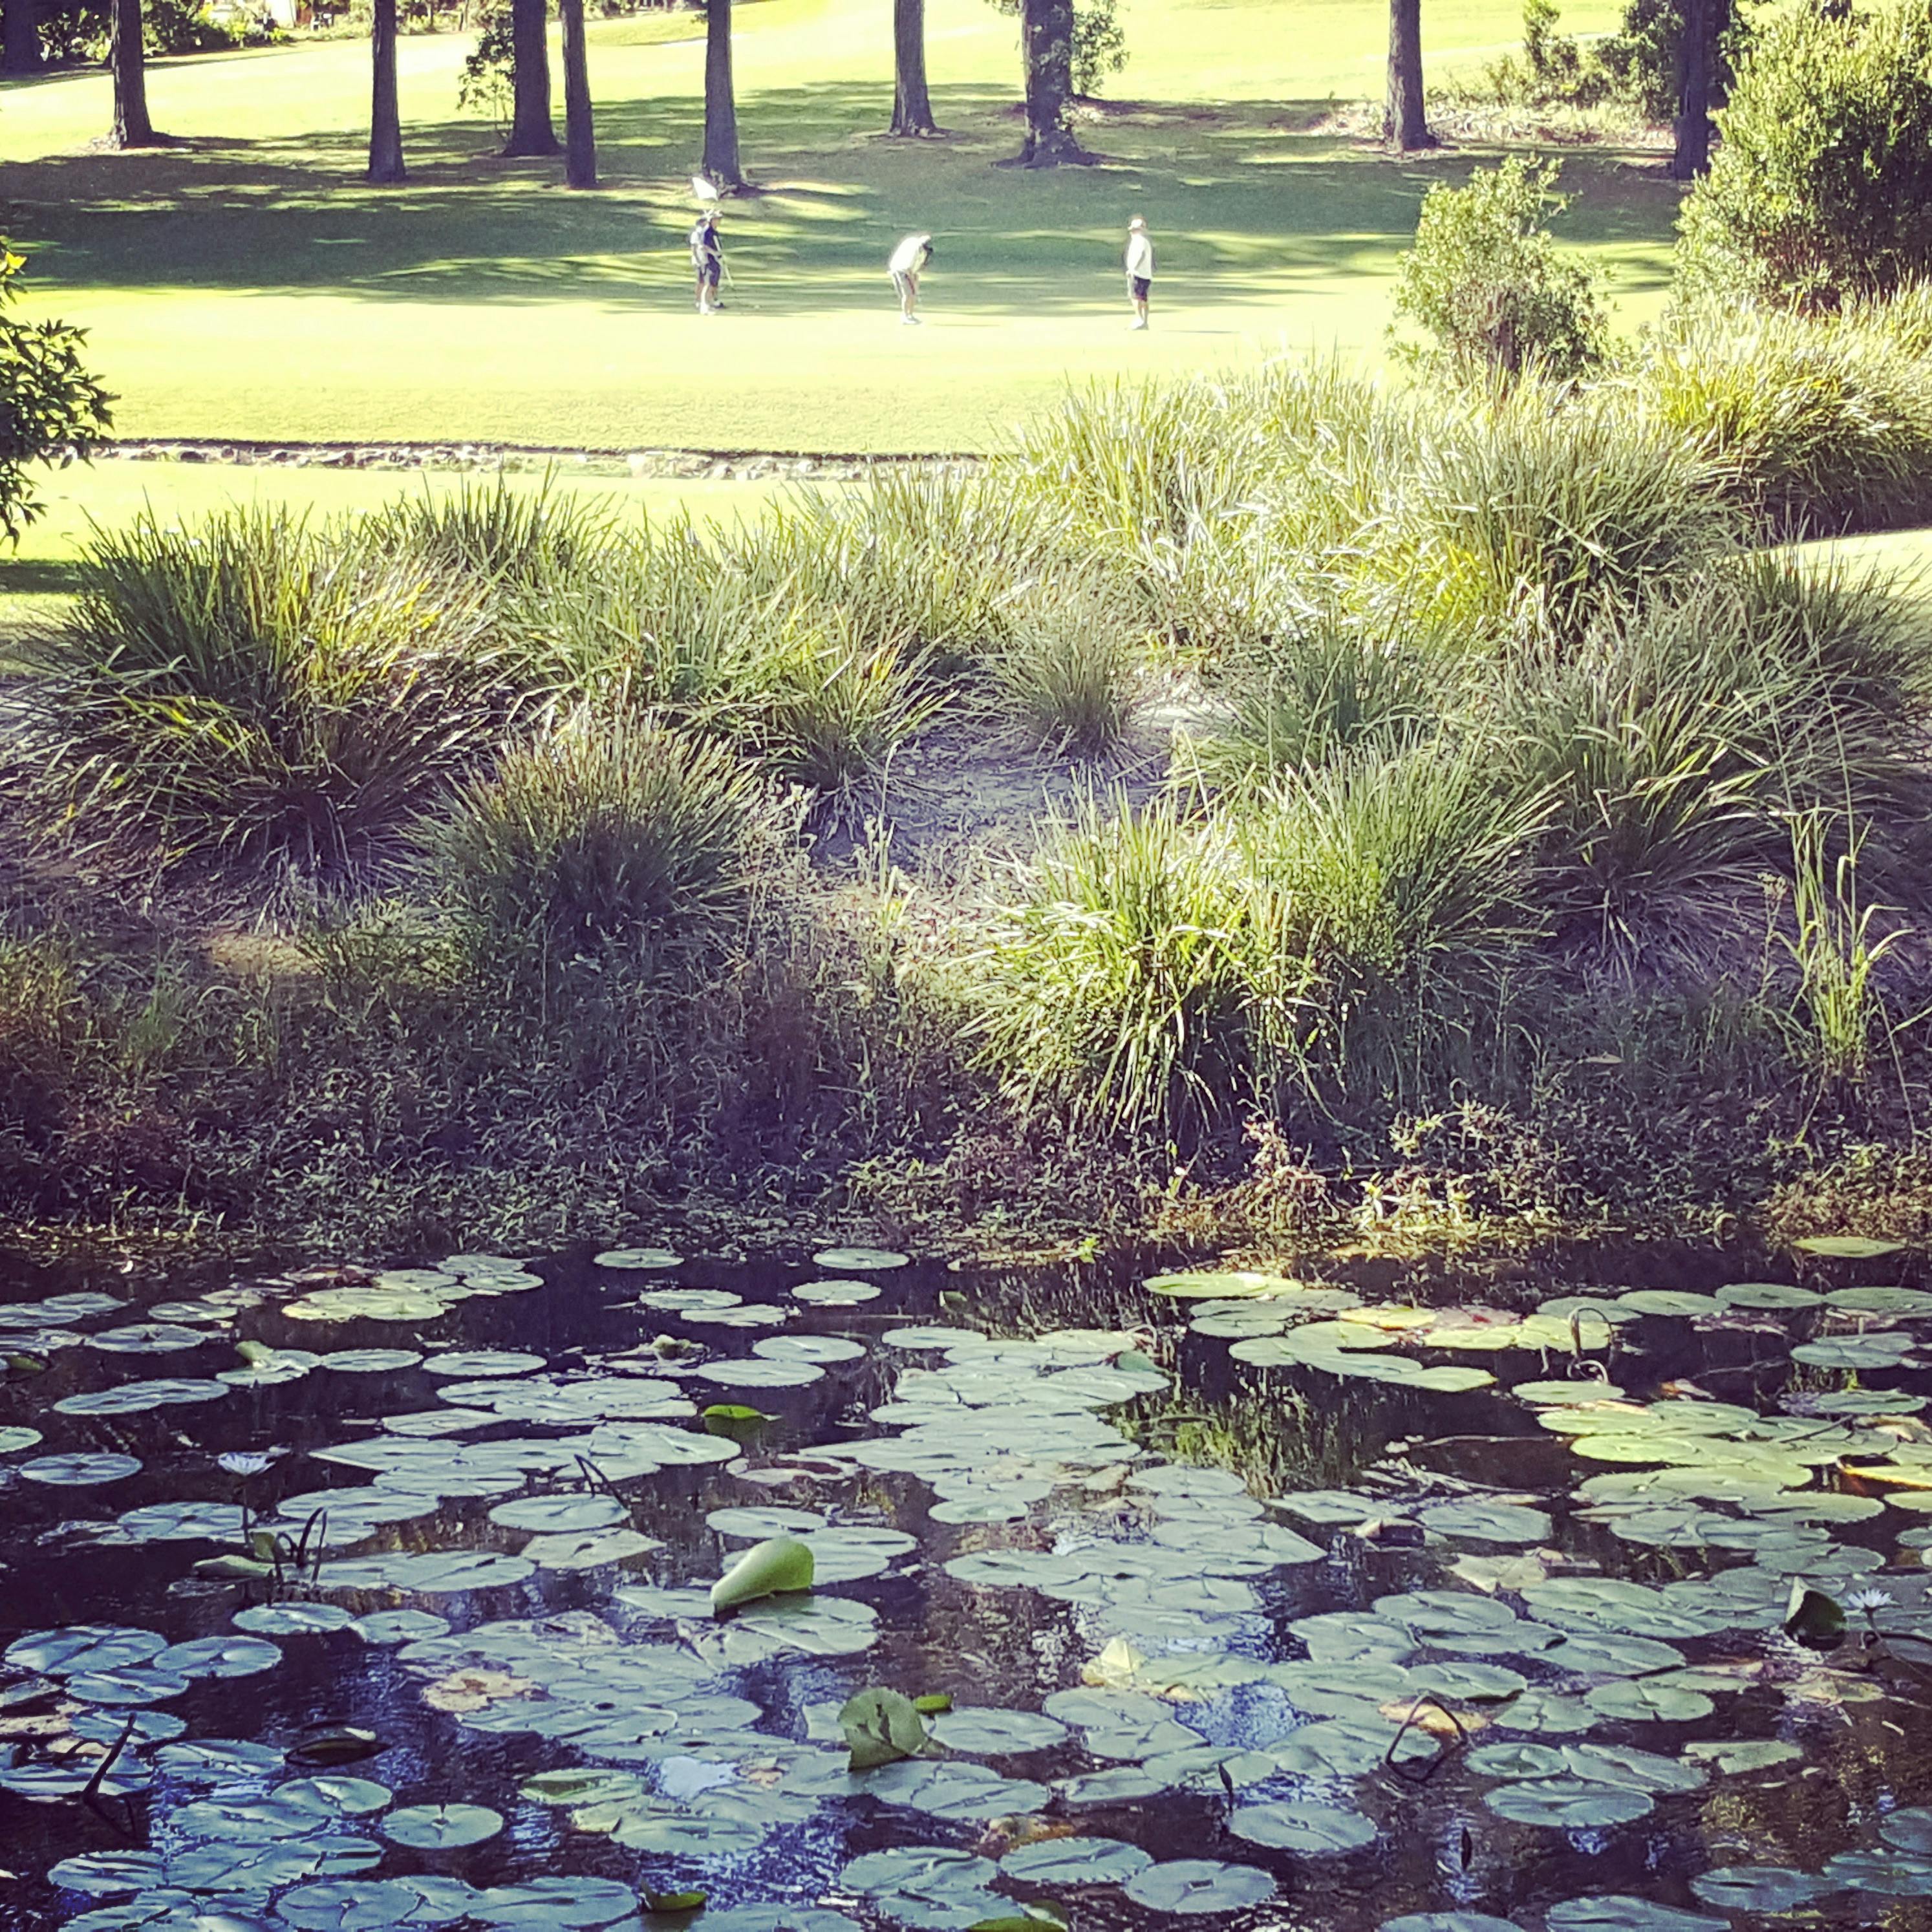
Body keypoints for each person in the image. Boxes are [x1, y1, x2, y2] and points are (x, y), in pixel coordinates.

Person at [888, 233, 933, 325]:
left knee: (913, 294)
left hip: (907, 269)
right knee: (908, 294)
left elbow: (917, 266)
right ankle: (905, 316)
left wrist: (916, 276)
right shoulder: (916, 248)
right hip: (900, 270)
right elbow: (908, 268)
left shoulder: (919, 247)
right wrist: (913, 281)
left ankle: (911, 316)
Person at [689, 213, 724, 315]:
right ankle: (703, 305)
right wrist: (714, 254)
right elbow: (701, 247)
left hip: (709, 260)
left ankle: (708, 304)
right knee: (706, 284)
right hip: (705, 261)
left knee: (711, 284)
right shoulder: (704, 233)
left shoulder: (712, 232)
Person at [1124, 215, 1154, 330]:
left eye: (1134, 230)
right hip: (1145, 274)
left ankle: (1139, 319)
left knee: (1135, 297)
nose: (1132, 232)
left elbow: (1141, 255)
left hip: (1138, 274)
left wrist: (1133, 269)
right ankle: (1144, 321)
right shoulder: (1141, 241)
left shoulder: (1140, 241)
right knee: (1143, 297)